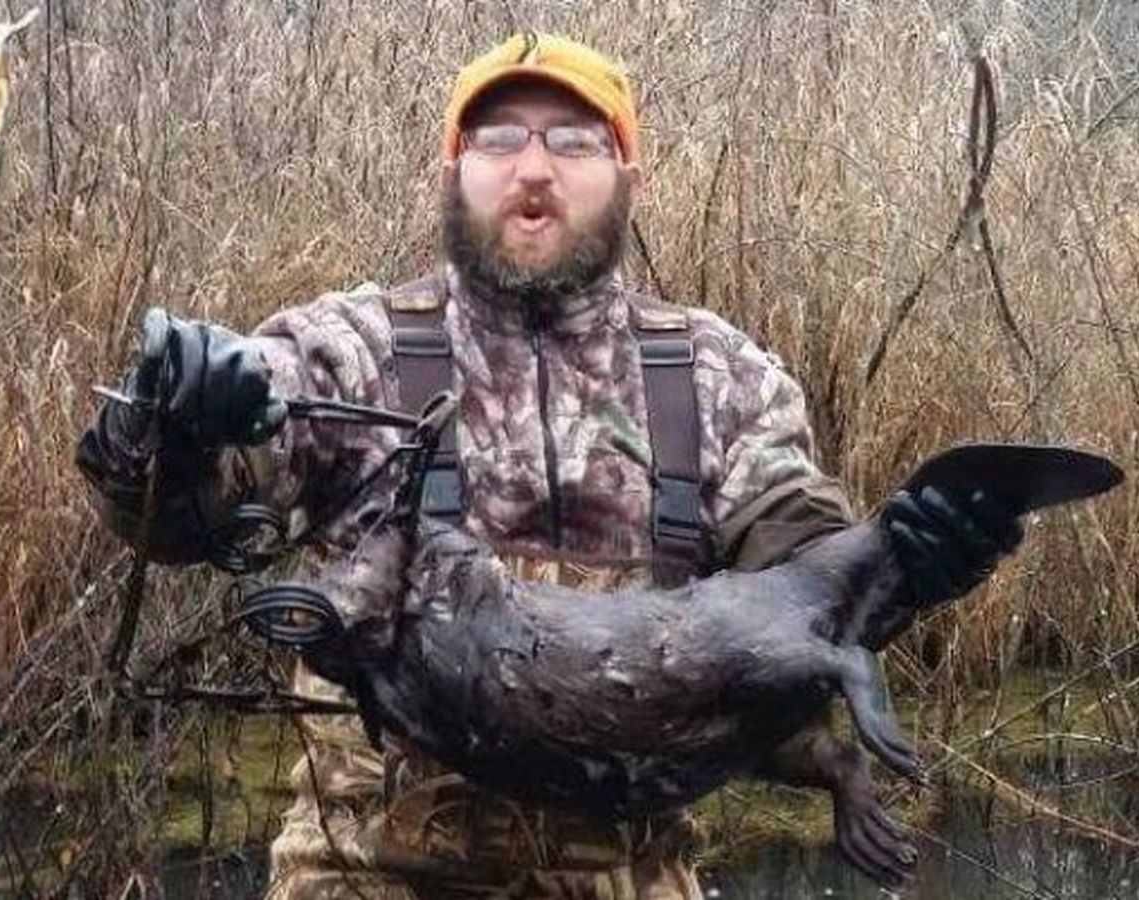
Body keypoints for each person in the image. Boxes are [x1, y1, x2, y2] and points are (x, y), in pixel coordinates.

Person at [77, 32, 1021, 899]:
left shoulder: (717, 377)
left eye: (573, 141)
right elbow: (186, 512)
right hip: (366, 878)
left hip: (636, 876)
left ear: (627, 176)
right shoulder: (348, 351)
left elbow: (805, 576)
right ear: (453, 170)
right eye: (498, 140)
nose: (534, 168)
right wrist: (164, 425)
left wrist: (911, 562)